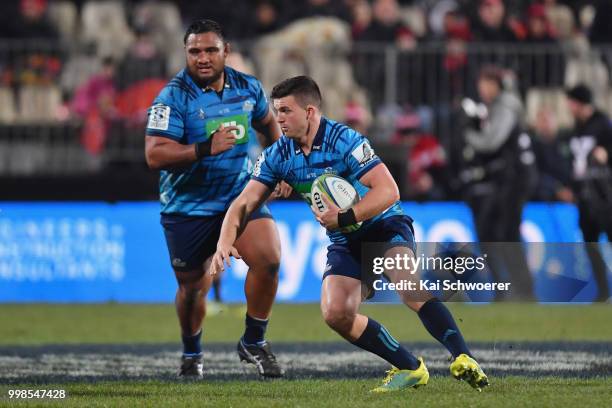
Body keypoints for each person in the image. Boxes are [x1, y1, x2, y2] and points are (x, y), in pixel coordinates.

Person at [210, 76, 488, 392]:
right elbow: (244, 202)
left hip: (383, 225)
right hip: (345, 240)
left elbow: (388, 190)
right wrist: (224, 241)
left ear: (310, 111)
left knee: (408, 285)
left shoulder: (344, 140)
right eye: (277, 111)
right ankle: (411, 368)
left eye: (286, 111)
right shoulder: (279, 155)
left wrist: (344, 216)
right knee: (336, 313)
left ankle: (463, 357)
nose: (279, 119)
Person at [144, 19, 289, 379]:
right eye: (195, 51)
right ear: (186, 54)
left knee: (269, 259)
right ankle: (192, 351)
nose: (203, 58)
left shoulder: (248, 88)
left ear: (226, 52)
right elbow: (155, 155)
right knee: (193, 290)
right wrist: (203, 149)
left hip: (237, 196)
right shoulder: (172, 98)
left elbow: (269, 125)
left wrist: (278, 167)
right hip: (187, 207)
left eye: (210, 50)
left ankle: (254, 341)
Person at [460, 66, 536, 301]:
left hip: (516, 178)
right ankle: (516, 290)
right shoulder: (503, 106)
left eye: (485, 84)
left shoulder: (505, 106)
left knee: (507, 233)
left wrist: (469, 134)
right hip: (509, 178)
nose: (481, 90)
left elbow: (492, 141)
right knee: (502, 233)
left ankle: (524, 290)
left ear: (495, 84)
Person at [565, 84, 612, 302]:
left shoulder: (603, 124)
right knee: (590, 242)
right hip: (585, 196)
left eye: (571, 102)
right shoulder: (577, 127)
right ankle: (603, 291)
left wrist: (607, 153)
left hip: (605, 195)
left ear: (579, 102)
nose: (568, 106)